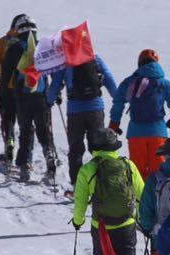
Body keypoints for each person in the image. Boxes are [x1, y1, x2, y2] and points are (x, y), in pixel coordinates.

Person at [48, 49, 118, 188]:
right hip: (96, 108)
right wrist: (117, 98)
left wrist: (49, 100)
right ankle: (101, 184)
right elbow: (109, 78)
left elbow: (56, 83)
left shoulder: (66, 62)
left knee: (76, 149)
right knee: (99, 147)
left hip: (75, 112)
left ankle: (77, 186)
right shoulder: (95, 58)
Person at [109, 49, 170, 181]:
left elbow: (118, 103)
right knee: (160, 172)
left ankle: (140, 200)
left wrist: (114, 124)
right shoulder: (164, 83)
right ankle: (159, 199)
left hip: (135, 134)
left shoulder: (130, 82)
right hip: (158, 133)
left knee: (137, 173)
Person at [1, 20, 58, 183]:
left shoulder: (15, 48)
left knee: (26, 131)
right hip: (42, 95)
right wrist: (55, 93)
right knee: (44, 130)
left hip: (22, 96)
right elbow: (54, 70)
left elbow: (6, 73)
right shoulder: (44, 47)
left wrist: (4, 94)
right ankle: (50, 155)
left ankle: (25, 165)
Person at [0, 14, 28, 167]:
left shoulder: (3, 42)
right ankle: (26, 156)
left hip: (6, 88)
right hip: (24, 88)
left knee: (8, 119)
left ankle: (9, 144)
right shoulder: (28, 43)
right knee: (25, 122)